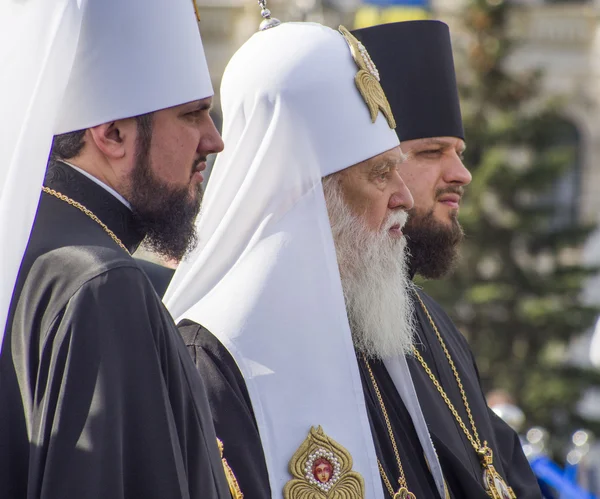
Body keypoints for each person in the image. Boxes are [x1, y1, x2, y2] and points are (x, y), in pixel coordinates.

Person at [166, 21, 449, 499]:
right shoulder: (211, 360)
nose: (404, 197)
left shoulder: (364, 321)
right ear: (307, 198)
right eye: (381, 175)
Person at [0, 1, 233, 498]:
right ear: (112, 133)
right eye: (193, 115)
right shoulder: (105, 281)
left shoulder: (26, 246)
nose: (214, 141)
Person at [352, 21, 541, 498]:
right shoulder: (321, 321)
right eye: (431, 152)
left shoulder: (432, 321)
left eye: (458, 152)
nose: (462, 174)